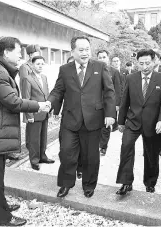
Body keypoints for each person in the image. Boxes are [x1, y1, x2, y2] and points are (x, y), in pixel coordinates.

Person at [0, 37, 49, 226]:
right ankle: (2, 218)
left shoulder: (1, 69)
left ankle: (1, 206)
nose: (21, 55)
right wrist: (38, 105)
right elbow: (13, 101)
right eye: (18, 51)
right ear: (6, 52)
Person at [46, 36, 116, 198]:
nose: (85, 53)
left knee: (91, 156)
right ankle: (65, 184)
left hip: (93, 119)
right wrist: (50, 103)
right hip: (70, 119)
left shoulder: (100, 67)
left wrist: (110, 114)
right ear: (73, 51)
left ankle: (89, 185)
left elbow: (109, 92)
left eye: (87, 49)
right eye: (81, 50)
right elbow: (58, 90)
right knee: (66, 152)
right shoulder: (65, 69)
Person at [116, 49, 161, 195]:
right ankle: (126, 182)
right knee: (126, 148)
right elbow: (125, 101)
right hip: (132, 122)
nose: (145, 66)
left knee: (151, 155)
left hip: (154, 124)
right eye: (141, 63)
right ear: (137, 63)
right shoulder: (130, 78)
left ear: (154, 62)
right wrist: (121, 121)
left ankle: (150, 183)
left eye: (148, 63)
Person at [21, 56, 54, 171]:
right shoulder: (27, 79)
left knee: (43, 137)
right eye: (38, 64)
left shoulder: (44, 77)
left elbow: (47, 93)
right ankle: (34, 160)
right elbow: (26, 98)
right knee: (34, 139)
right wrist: (28, 116)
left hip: (44, 112)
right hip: (34, 114)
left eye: (42, 64)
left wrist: (49, 108)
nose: (40, 66)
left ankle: (42, 156)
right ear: (32, 65)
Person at [53, 55, 83, 179]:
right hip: (69, 116)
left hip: (86, 117)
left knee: (82, 147)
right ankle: (67, 175)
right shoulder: (65, 74)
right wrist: (55, 111)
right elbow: (59, 93)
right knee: (66, 148)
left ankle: (80, 167)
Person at [97, 50, 121, 155]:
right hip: (95, 103)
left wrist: (116, 104)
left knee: (105, 126)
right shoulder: (93, 70)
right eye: (100, 57)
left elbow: (118, 89)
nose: (102, 59)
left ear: (108, 58)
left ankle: (103, 147)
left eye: (104, 57)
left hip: (108, 104)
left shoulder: (114, 72)